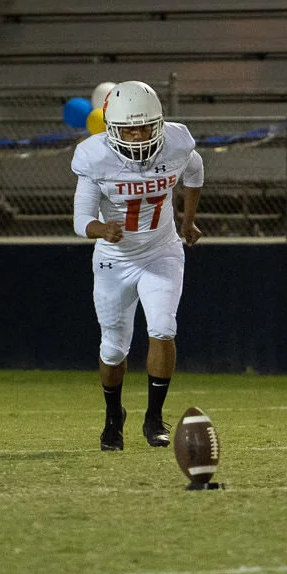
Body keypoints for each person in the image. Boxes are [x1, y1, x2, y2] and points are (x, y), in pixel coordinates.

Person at [70, 82, 204, 451]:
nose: (139, 135)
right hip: (115, 259)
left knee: (163, 327)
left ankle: (154, 418)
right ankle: (114, 416)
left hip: (162, 250)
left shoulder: (177, 141)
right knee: (114, 348)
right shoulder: (94, 156)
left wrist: (188, 220)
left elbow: (195, 169)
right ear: (112, 127)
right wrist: (102, 229)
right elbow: (81, 219)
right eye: (129, 128)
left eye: (145, 126)